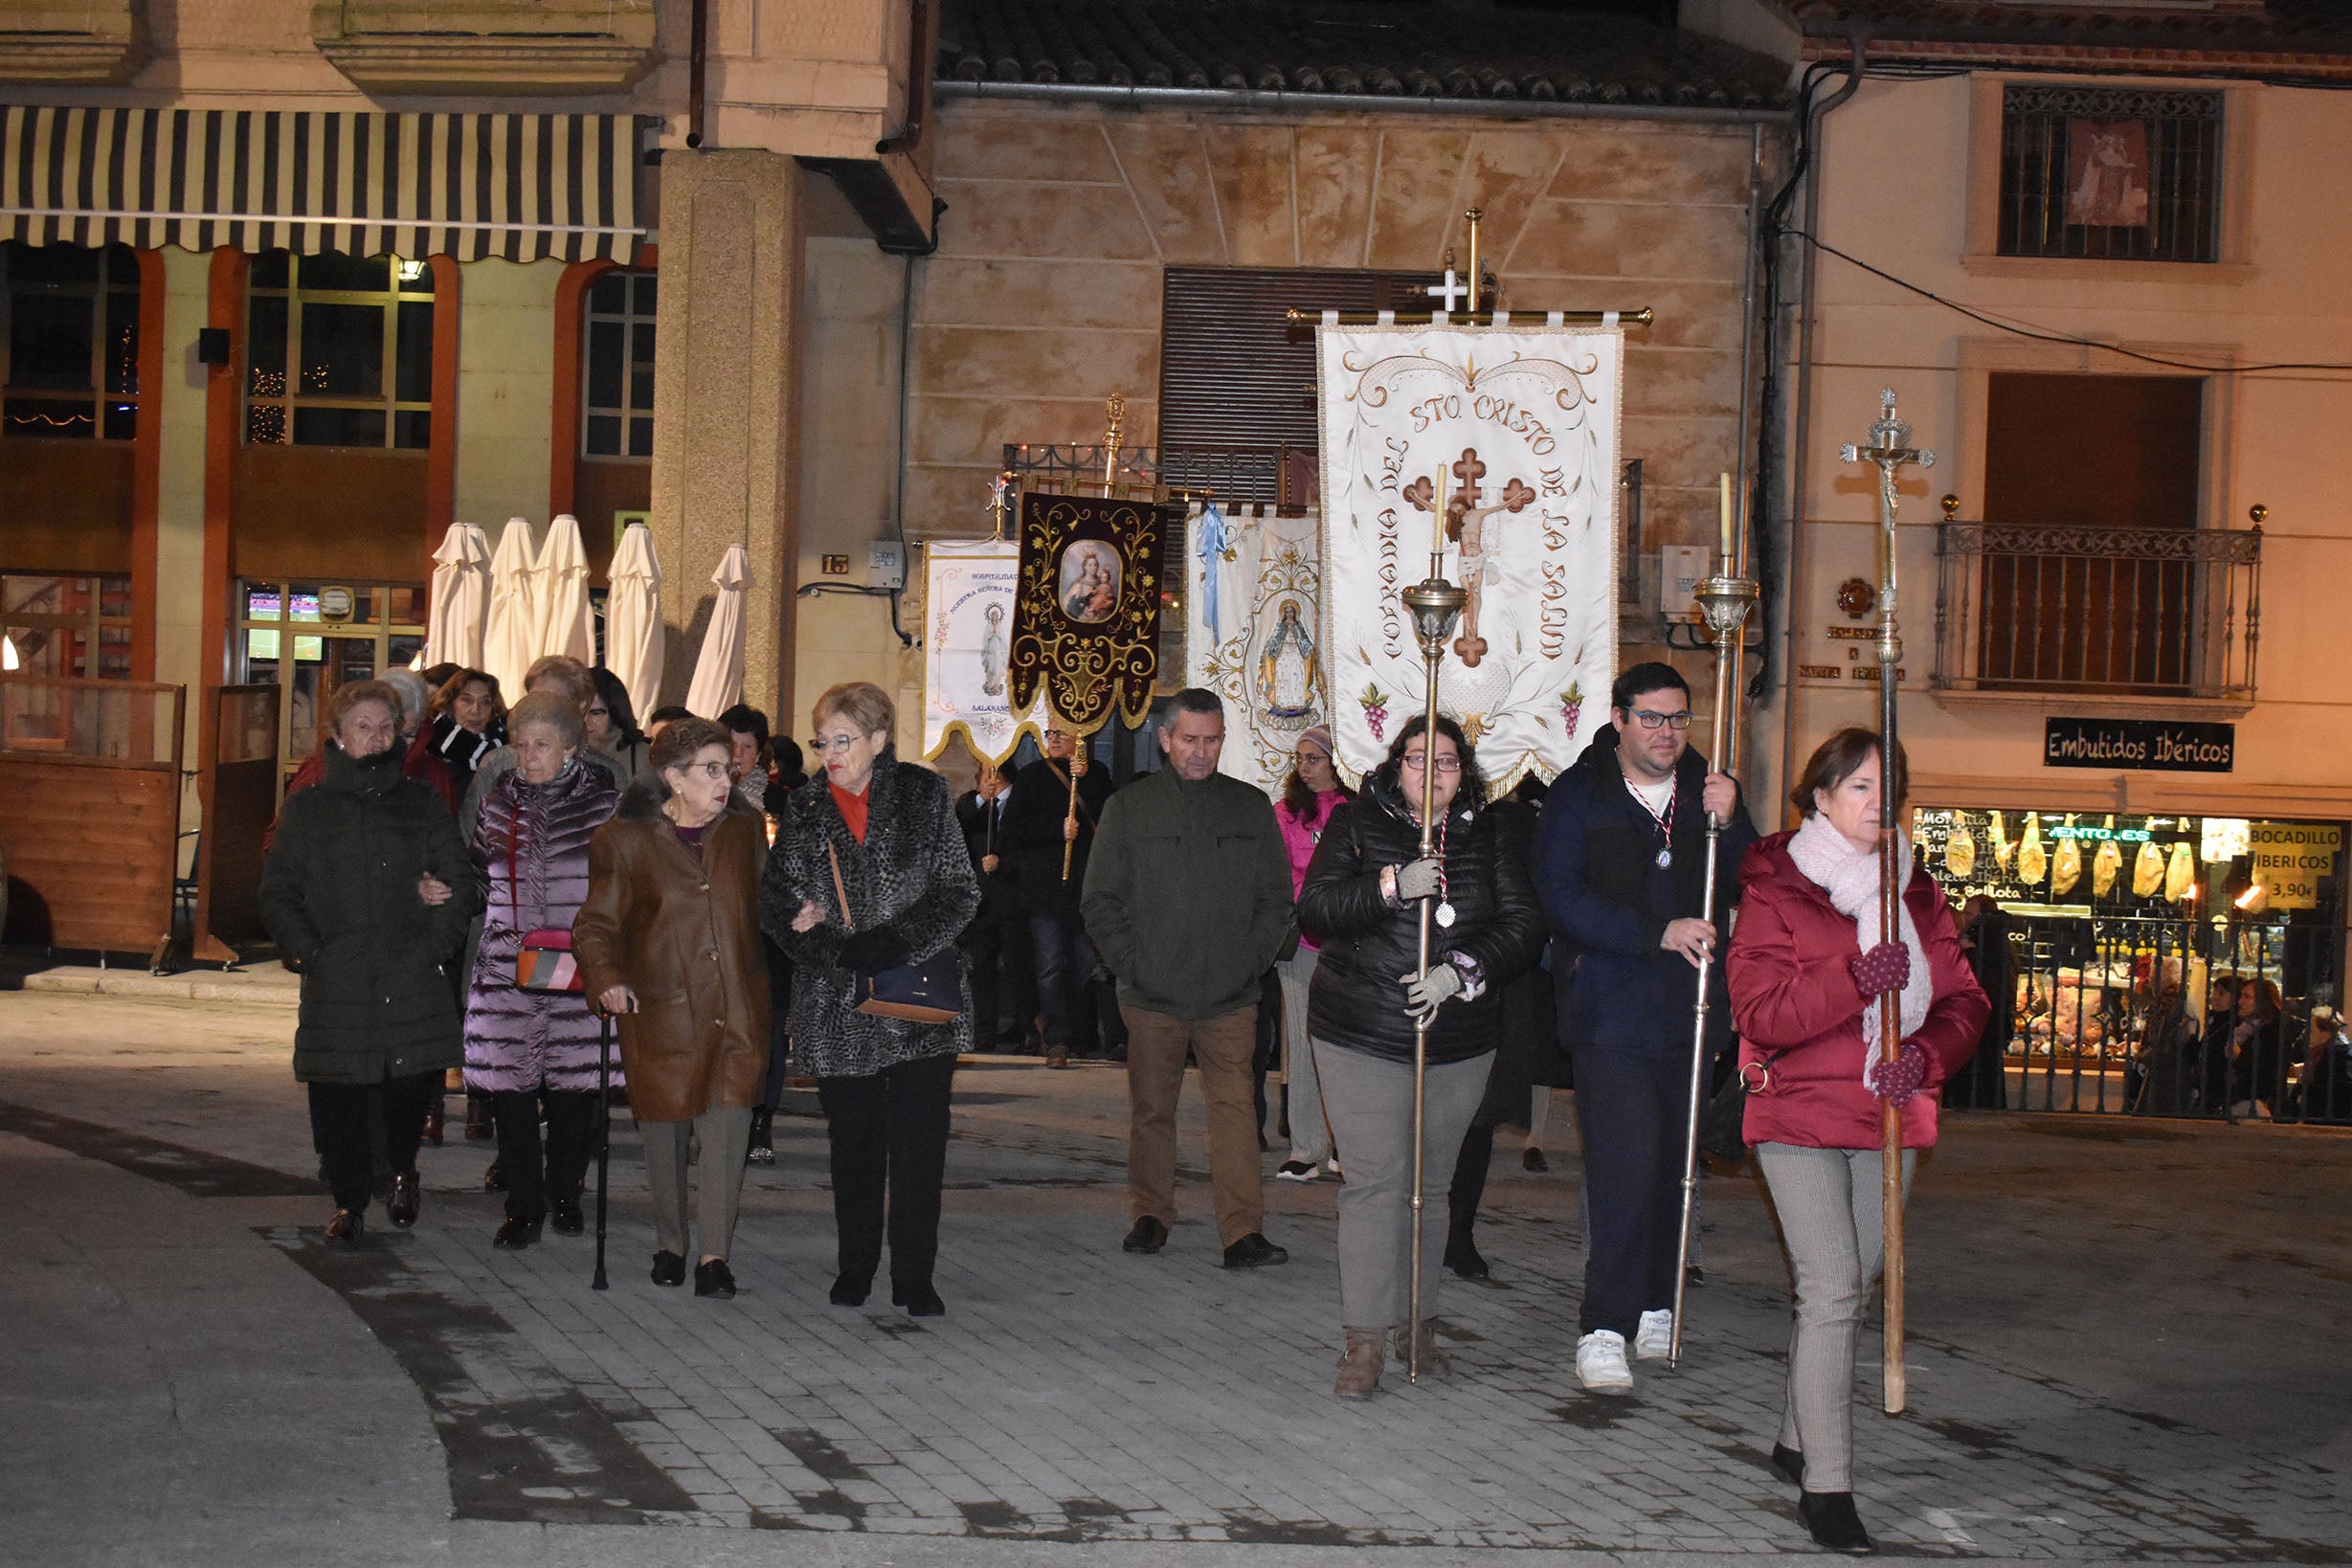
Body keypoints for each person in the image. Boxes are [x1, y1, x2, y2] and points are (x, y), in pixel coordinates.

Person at [1726, 728, 1990, 1555]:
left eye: (1886, 790)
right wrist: (1850, 981)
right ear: (1820, 796)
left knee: (1856, 1282)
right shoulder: (1775, 883)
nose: (1876, 805)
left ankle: (1794, 1436)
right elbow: (1759, 1012)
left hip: (1888, 1117)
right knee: (1832, 1286)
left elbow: (1965, 1003)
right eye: (1857, 789)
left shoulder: (1918, 892)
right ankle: (1827, 1487)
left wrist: (1922, 1055)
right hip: (1797, 1108)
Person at [1297, 715, 1542, 1397]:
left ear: (1465, 770)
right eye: (1416, 759)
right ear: (1392, 764)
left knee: (1431, 1187)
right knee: (1375, 1183)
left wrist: (1459, 970)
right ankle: (1364, 1341)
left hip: (1458, 1035)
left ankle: (1419, 1324)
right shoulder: (1354, 823)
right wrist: (1388, 888)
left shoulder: (1489, 831)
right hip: (1362, 1027)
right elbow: (1315, 910)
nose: (1431, 773)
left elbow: (1522, 925)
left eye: (1446, 761)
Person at [1533, 660, 1757, 1393]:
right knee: (1623, 1169)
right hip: (1609, 1012)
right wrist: (1651, 932)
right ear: (1621, 718)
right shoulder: (1579, 796)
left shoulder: (1706, 791)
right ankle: (1602, 1326)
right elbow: (1560, 898)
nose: (1667, 733)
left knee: (1673, 1170)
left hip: (1691, 1012)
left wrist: (1737, 818)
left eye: (1678, 718)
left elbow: (1750, 883)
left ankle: (1656, 1302)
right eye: (1652, 718)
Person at [762, 683, 979, 1317]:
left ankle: (914, 1275)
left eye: (843, 740)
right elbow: (777, 906)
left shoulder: (922, 794)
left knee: (918, 1146)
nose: (830, 752)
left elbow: (959, 892)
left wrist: (894, 940)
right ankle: (856, 1265)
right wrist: (833, 946)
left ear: (879, 740)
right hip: (836, 1005)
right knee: (853, 1145)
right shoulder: (801, 809)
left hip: (917, 999)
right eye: (821, 741)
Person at [1083, 689, 1296, 1267]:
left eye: (1213, 740)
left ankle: (1242, 1233)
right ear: (1166, 739)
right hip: (1151, 996)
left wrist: (1248, 961)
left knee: (1235, 1112)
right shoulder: (1130, 809)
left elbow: (1277, 899)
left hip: (1231, 996)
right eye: (1191, 740)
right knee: (1152, 1110)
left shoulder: (1250, 807)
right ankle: (1151, 1215)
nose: (1202, 752)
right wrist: (1135, 965)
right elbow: (1100, 900)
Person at [259, 680, 479, 1242]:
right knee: (339, 1095)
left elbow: (457, 880)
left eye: (386, 726)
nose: (377, 737)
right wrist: (309, 951)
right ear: (337, 735)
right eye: (364, 726)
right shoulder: (308, 808)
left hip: (409, 971)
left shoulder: (422, 801)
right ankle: (349, 1202)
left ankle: (403, 1167)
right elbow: (277, 891)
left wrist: (434, 943)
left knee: (407, 1088)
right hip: (338, 975)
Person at [572, 717, 770, 1298]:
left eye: (728, 768)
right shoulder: (625, 840)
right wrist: (606, 980)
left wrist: (800, 917)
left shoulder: (745, 829)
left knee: (728, 1132)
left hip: (737, 1004)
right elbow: (595, 925)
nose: (725, 780)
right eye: (710, 770)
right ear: (673, 778)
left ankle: (714, 1257)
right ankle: (670, 1242)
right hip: (662, 1010)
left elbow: (768, 900)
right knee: (665, 1138)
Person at [461, 691, 623, 1247]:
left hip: (577, 960)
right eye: (521, 745)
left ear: (572, 749)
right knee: (510, 1092)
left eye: (542, 746)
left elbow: (620, 884)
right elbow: (481, 871)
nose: (529, 757)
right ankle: (523, 1206)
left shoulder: (604, 807)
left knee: (573, 1091)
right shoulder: (499, 803)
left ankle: (565, 1195)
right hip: (508, 963)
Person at [1004, 721, 1123, 1066]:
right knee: (1050, 965)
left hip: (1085, 887)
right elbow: (1014, 830)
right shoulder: (1031, 777)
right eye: (1049, 734)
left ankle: (1070, 1026)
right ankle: (1056, 1039)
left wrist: (1085, 780)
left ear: (1079, 739)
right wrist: (1056, 830)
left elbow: (1110, 822)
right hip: (1045, 888)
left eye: (1060, 734)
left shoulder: (1097, 775)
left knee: (1085, 963)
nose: (1052, 739)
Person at [1273, 727, 1352, 1180]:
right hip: (1303, 943)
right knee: (1302, 1047)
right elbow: (1279, 877)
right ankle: (1305, 1149)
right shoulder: (1285, 813)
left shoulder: (1356, 811)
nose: (1304, 767)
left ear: (1334, 762)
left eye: (1314, 759)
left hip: (1346, 945)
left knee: (1346, 1048)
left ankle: (1347, 1143)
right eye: (1299, 759)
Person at [461, 657, 627, 841]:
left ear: (582, 706)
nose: (538, 708)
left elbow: (616, 850)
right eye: (532, 699)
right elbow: (469, 837)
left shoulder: (607, 775)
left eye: (552, 700)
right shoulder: (498, 764)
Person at [957, 758, 1039, 1054]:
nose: (980, 776)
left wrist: (1003, 862)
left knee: (1019, 969)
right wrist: (982, 797)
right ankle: (984, 1034)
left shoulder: (1022, 805)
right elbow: (961, 818)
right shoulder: (974, 805)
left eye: (984, 771)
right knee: (982, 970)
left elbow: (1031, 848)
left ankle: (1028, 1029)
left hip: (1013, 900)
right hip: (982, 902)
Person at [425, 667, 504, 788]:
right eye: (466, 700)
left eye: (485, 702)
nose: (476, 710)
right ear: (450, 704)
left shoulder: (508, 746)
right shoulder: (428, 750)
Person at [587, 666, 650, 785]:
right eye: (579, 712)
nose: (585, 720)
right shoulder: (565, 754)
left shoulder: (643, 757)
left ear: (615, 712)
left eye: (595, 713)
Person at [2290, 1005, 2352, 1124]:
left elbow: (2328, 1094)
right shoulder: (2325, 1053)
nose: (2305, 1033)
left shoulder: (2334, 1057)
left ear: (2326, 1032)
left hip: (2328, 1124)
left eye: (2311, 1029)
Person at [719, 702, 773, 811]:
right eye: (732, 744)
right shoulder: (701, 789)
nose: (738, 753)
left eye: (747, 746)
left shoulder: (778, 799)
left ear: (758, 754)